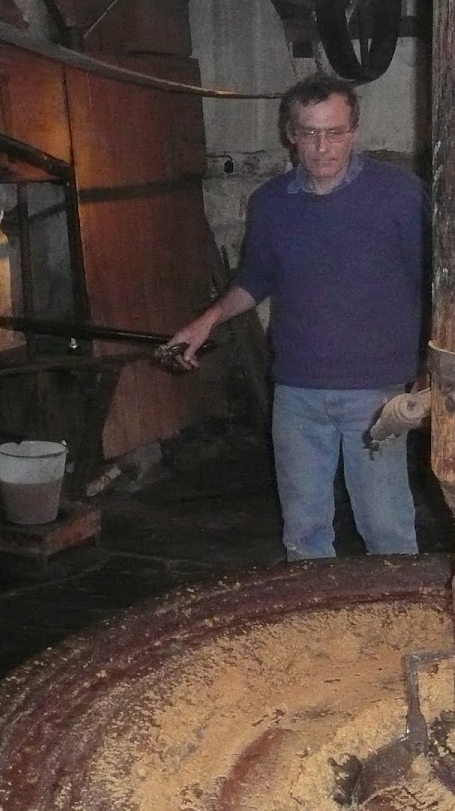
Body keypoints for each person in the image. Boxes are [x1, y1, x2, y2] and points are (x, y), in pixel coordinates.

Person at [165, 72, 426, 561]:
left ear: (354, 131)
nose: (322, 147)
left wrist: (430, 370)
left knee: (386, 529)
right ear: (290, 134)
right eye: (309, 133)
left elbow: (435, 281)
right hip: (297, 391)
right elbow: (256, 278)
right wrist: (205, 322)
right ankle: (315, 612)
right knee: (304, 532)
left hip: (376, 392)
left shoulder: (400, 195)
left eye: (335, 132)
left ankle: (397, 612)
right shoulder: (270, 203)